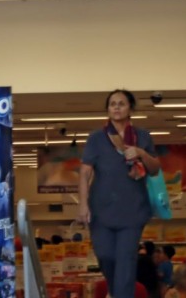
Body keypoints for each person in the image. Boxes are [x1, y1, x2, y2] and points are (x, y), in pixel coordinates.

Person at [78, 89, 162, 298]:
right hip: (101, 209)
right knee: (106, 256)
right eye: (112, 104)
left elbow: (154, 169)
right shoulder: (96, 138)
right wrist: (82, 204)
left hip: (133, 209)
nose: (116, 107)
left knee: (126, 259)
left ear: (130, 108)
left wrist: (141, 153)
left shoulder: (142, 136)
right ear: (108, 109)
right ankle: (118, 293)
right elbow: (85, 172)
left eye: (121, 103)